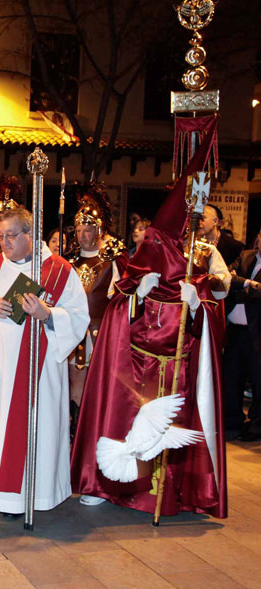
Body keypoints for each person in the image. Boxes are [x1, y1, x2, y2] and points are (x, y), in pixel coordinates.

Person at [71, 133, 230, 517]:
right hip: (135, 370)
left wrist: (200, 308)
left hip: (176, 372)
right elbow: (114, 322)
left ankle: (174, 493)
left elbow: (212, 332)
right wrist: (136, 297)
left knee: (170, 433)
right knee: (125, 423)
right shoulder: (136, 276)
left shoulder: (198, 278)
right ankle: (110, 486)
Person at [0, 207, 89, 517]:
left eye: (11, 236)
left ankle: (24, 497)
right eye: (0, 236)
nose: (4, 243)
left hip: (37, 372)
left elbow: (79, 318)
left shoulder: (58, 271)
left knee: (30, 430)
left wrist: (48, 314)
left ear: (31, 234)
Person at [67, 183, 127, 428]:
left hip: (99, 330)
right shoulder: (69, 259)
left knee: (101, 381)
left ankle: (96, 427)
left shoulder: (111, 260)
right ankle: (75, 427)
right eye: (79, 229)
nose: (82, 235)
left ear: (99, 230)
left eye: (87, 229)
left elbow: (122, 298)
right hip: (73, 329)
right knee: (75, 379)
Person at [223, 231, 261, 441]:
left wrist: (240, 288)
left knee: (257, 381)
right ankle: (232, 422)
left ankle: (256, 426)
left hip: (257, 332)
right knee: (231, 378)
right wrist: (250, 286)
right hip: (235, 329)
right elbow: (228, 277)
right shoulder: (246, 255)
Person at [199, 203, 244, 268]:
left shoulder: (235, 247)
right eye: (196, 218)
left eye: (202, 218)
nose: (198, 222)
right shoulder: (190, 243)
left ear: (215, 221)